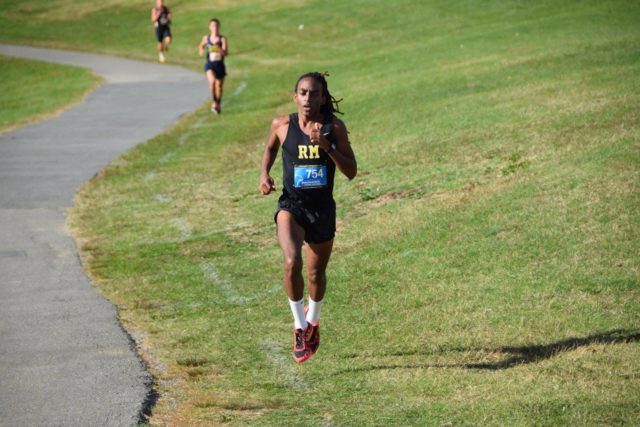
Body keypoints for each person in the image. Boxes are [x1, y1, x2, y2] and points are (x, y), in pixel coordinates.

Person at [259, 72, 357, 363]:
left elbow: (351, 171)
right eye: (303, 92)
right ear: (295, 96)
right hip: (292, 205)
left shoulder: (334, 127)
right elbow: (269, 148)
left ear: (323, 98)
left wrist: (326, 146)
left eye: (314, 93)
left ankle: (313, 321)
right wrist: (264, 174)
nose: (308, 98)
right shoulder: (282, 124)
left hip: (322, 209)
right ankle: (299, 327)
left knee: (315, 274)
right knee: (292, 261)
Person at [198, 18, 228, 114]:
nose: (214, 27)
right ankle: (214, 101)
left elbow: (226, 53)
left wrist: (219, 49)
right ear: (209, 27)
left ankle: (218, 103)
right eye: (213, 25)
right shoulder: (206, 38)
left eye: (216, 25)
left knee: (219, 86)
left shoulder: (222, 39)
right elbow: (201, 45)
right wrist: (201, 50)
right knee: (212, 82)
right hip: (210, 64)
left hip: (220, 65)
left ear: (219, 27)